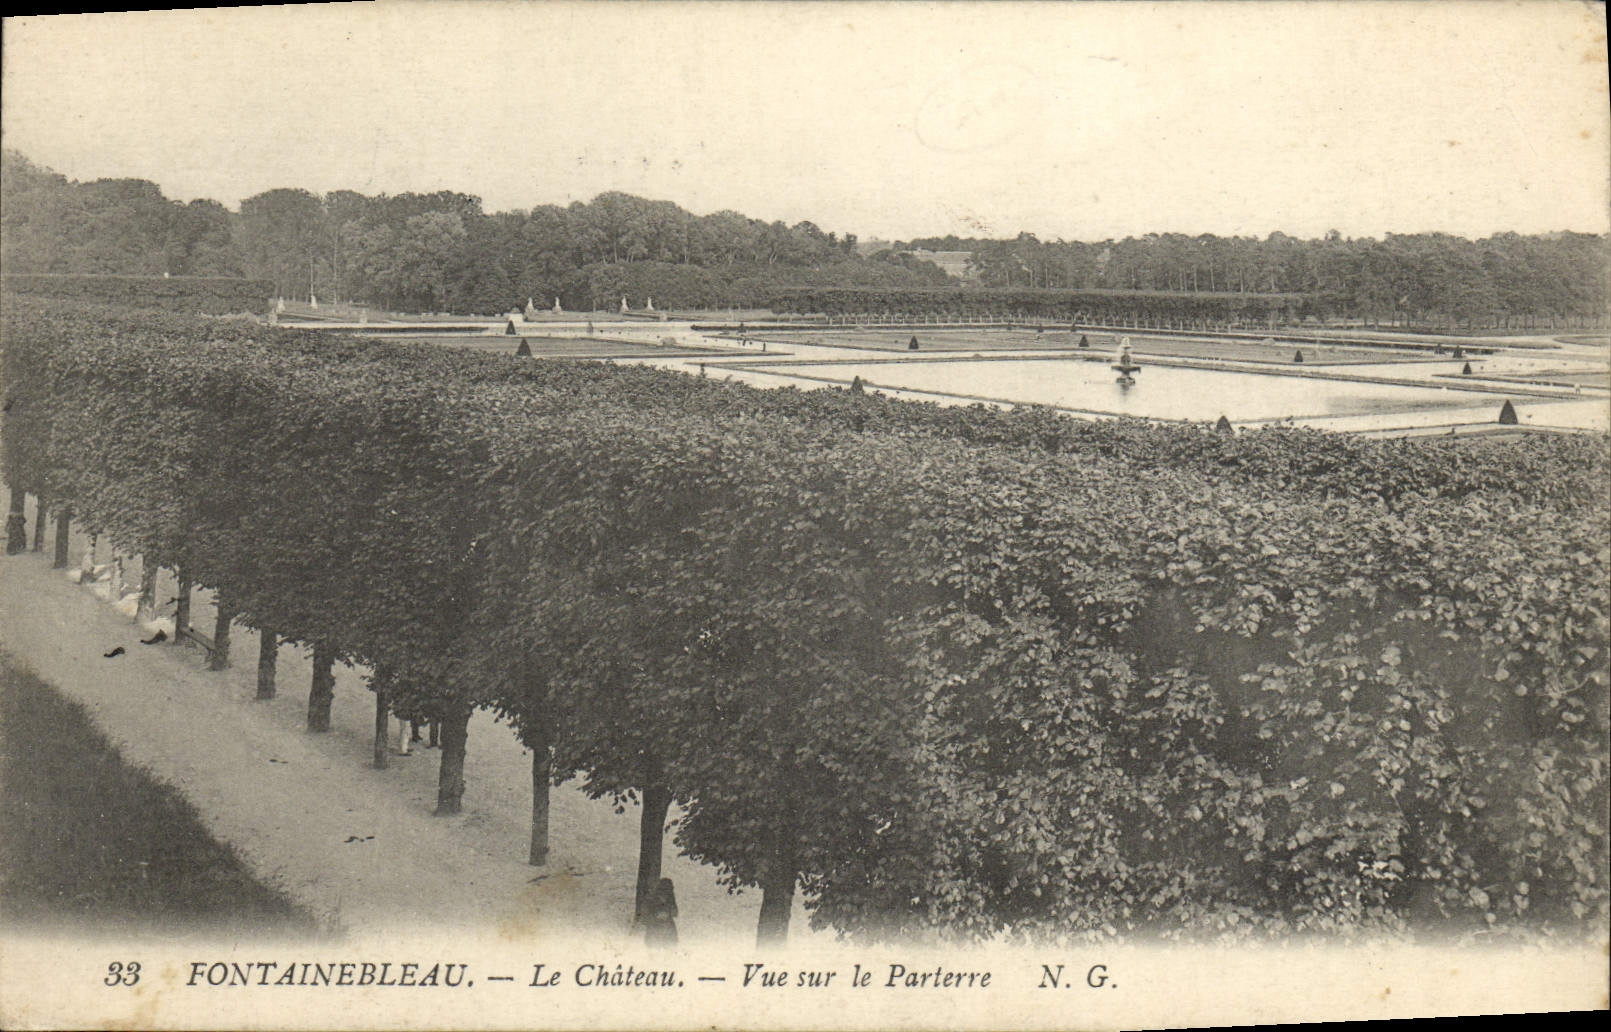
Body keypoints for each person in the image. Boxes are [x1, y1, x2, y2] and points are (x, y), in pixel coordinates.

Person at [643, 878, 679, 948]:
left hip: (665, 928)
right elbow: (646, 914)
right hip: (656, 927)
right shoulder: (651, 898)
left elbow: (675, 912)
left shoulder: (670, 897)